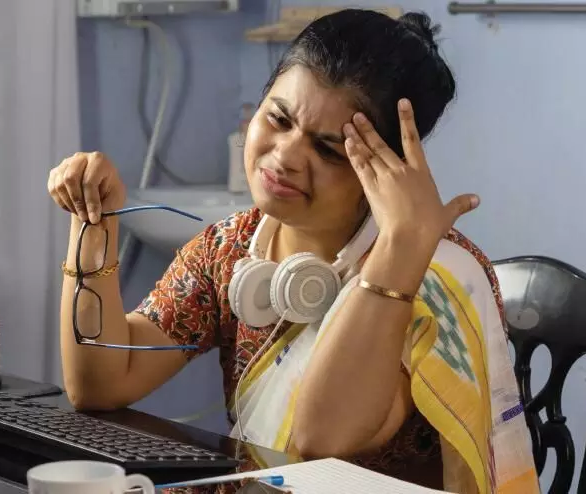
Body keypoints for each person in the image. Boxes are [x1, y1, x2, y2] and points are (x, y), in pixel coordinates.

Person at [48, 8, 539, 493]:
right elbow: (102, 382)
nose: (285, 156)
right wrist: (93, 218)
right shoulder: (232, 246)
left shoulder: (433, 276)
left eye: (327, 149)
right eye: (278, 119)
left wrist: (400, 248)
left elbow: (321, 439)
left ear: (387, 169)